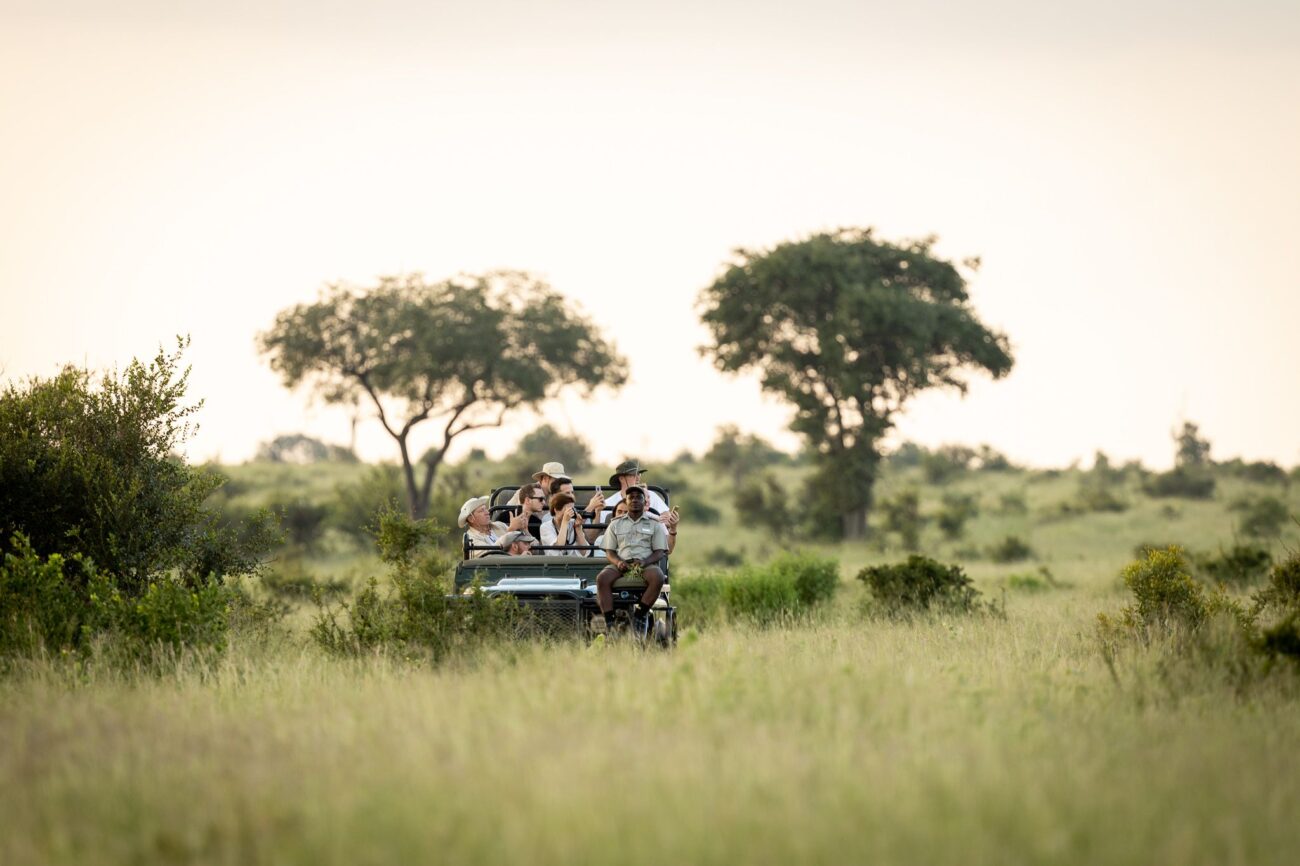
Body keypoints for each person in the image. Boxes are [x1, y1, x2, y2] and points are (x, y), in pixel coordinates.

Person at [595, 485, 667, 636]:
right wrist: (618, 562)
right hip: (621, 562)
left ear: (644, 502)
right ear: (626, 501)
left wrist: (645, 562)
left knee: (658, 577)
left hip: (644, 563)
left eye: (638, 497)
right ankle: (610, 623)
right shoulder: (615, 523)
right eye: (631, 497)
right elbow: (609, 551)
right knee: (602, 578)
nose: (634, 500)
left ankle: (640, 615)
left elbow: (659, 551)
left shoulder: (654, 524)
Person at [539, 491, 591, 556]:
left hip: (574, 563)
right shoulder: (545, 527)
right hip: (555, 564)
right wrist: (565, 522)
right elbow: (560, 545)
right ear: (556, 510)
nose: (570, 513)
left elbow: (584, 551)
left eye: (572, 509)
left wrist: (578, 528)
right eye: (568, 510)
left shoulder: (572, 524)